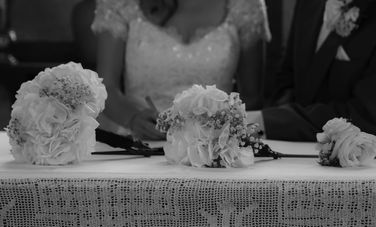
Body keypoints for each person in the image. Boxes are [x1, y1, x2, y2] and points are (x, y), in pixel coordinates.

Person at [91, 0, 271, 140]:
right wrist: (133, 118)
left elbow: (251, 97)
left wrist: (222, 135)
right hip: (138, 140)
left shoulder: (246, 6)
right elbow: (106, 85)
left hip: (213, 145)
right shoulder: (120, 4)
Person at [255, 0, 376, 141]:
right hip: (289, 149)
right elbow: (287, 77)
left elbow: (370, 117)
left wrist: (264, 123)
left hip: (369, 157)